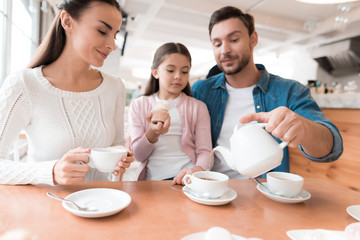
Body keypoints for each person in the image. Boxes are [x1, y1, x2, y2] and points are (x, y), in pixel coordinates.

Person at [192, 6, 343, 179]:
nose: (224, 50)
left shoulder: (290, 91)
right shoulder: (201, 91)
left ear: (253, 39)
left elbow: (332, 148)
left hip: (265, 195)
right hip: (211, 191)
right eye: (217, 44)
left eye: (234, 39)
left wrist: (304, 128)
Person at [0, 0, 134, 185]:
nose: (112, 45)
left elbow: (116, 143)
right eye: (102, 31)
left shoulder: (115, 87)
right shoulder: (24, 84)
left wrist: (119, 158)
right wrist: (51, 171)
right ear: (67, 21)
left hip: (103, 204)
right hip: (47, 208)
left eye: (115, 35)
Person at [128, 42, 212, 184]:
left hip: (186, 180)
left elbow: (205, 151)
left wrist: (196, 172)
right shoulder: (139, 105)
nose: (178, 76)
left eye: (184, 71)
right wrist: (152, 134)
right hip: (151, 182)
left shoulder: (198, 107)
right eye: (171, 70)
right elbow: (138, 155)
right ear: (155, 72)